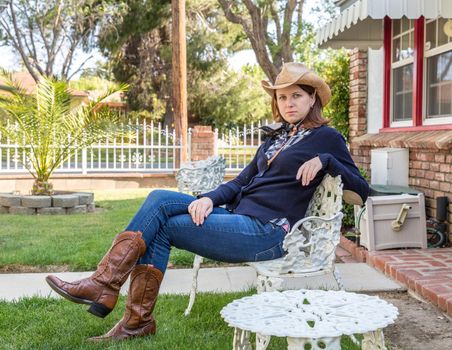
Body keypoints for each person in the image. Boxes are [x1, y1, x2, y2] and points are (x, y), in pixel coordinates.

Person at [46, 62, 369, 342]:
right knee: (160, 226)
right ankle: (134, 322)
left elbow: (363, 191)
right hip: (240, 220)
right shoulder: (276, 138)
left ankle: (105, 286)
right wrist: (208, 199)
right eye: (282, 97)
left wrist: (327, 160)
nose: (288, 103)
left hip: (268, 232)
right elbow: (242, 181)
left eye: (296, 95)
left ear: (312, 98)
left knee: (159, 201)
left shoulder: (327, 138)